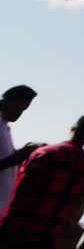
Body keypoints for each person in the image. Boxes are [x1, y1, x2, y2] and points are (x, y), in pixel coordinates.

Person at [0, 115, 84, 249]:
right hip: (47, 234)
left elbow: (20, 191)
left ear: (73, 128)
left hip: (16, 228)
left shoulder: (44, 153)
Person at [0, 85, 43, 218]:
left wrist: (26, 151)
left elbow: (7, 158)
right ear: (8, 102)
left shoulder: (4, 126)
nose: (20, 114)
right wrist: (24, 152)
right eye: (20, 108)